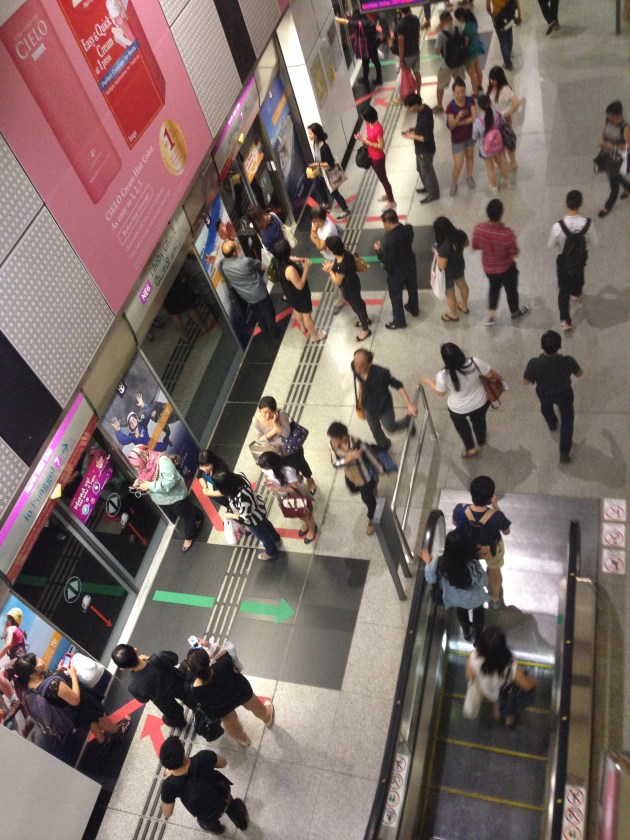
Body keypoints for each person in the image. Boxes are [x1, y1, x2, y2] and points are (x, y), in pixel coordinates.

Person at [14, 652, 129, 749]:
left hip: (71, 713)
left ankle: (103, 741)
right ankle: (118, 731)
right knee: (99, 717)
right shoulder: (53, 685)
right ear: (32, 673)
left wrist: (58, 671)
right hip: (81, 705)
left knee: (89, 722)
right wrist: (73, 675)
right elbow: (75, 700)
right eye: (37, 662)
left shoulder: (29, 687)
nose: (41, 660)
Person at [420, 343, 503, 458]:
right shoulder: (475, 362)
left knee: (462, 426)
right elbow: (491, 376)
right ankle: (481, 439)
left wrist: (429, 381)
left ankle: (471, 449)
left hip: (458, 409)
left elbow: (440, 393)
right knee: (479, 420)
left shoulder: (443, 375)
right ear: (460, 352)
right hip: (480, 402)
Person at [186, 646, 274, 747]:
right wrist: (210, 646)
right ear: (208, 659)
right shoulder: (223, 665)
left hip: (221, 707)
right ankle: (267, 718)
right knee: (254, 705)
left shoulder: (194, 690)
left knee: (230, 721)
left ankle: (243, 739)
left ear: (190, 670)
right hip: (239, 692)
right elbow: (225, 653)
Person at [159, 736, 249, 834]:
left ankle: (217, 829)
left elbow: (167, 813)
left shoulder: (168, 786)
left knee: (206, 822)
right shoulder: (203, 757)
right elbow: (223, 763)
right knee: (232, 806)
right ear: (182, 751)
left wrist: (172, 775)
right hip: (223, 797)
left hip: (203, 813)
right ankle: (241, 823)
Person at [203, 450, 282, 561]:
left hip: (253, 519)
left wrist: (230, 515)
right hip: (259, 508)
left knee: (263, 537)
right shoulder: (238, 477)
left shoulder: (240, 497)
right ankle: (276, 537)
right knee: (266, 524)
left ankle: (271, 552)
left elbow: (244, 517)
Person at [523, 330, 583, 464]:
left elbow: (526, 381)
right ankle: (564, 453)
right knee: (567, 422)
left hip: (544, 393)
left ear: (541, 346)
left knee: (545, 407)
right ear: (560, 346)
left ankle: (552, 423)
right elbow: (579, 374)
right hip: (565, 394)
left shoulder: (534, 363)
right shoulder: (568, 361)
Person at [126, 445, 201, 553]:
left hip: (175, 497)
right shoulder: (144, 464)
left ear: (143, 457)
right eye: (135, 466)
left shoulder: (162, 462)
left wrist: (150, 486)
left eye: (137, 465)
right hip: (162, 498)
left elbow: (171, 482)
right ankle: (199, 516)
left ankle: (189, 537)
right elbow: (142, 476)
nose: (137, 468)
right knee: (186, 509)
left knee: (187, 516)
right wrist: (138, 483)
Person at [453, 475, 512, 609]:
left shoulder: (460, 509)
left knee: (468, 568)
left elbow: (455, 523)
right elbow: (507, 531)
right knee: (494, 571)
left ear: (471, 494)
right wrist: (496, 507)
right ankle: (495, 599)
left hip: (468, 549)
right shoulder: (496, 516)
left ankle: (470, 594)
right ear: (491, 497)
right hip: (491, 550)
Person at [419, 531, 487, 643]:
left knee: (461, 611)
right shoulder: (473, 565)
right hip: (474, 599)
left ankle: (466, 631)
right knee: (478, 612)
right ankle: (478, 638)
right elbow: (484, 581)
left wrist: (429, 562)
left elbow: (430, 579)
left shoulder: (439, 563)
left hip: (453, 599)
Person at [471, 198, 529, 325]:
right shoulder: (507, 234)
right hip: (507, 268)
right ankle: (515, 312)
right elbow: (515, 252)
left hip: (488, 268)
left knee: (493, 288)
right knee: (511, 290)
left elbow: (475, 246)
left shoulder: (479, 229)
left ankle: (491, 316)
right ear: (501, 214)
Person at [465, 627, 537, 728]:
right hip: (504, 692)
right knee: (506, 703)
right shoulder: (510, 665)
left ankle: (498, 714)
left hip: (487, 690)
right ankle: (509, 718)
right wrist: (533, 682)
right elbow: (527, 686)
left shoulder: (473, 657)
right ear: (502, 646)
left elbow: (470, 677)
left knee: (496, 701)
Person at [547, 190, 598, 330]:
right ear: (580, 204)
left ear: (566, 204)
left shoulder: (558, 227)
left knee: (563, 290)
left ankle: (565, 320)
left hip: (564, 263)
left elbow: (551, 245)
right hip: (580, 260)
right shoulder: (588, 223)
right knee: (578, 277)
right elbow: (594, 242)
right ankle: (575, 294)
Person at [111, 644, 192, 728]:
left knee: (173, 714)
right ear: (135, 650)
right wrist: (149, 658)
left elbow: (143, 699)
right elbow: (174, 658)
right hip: (176, 682)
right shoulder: (159, 657)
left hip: (162, 699)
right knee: (188, 696)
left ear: (123, 668)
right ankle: (195, 706)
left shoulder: (133, 686)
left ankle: (179, 723)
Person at [352, 349, 418, 450]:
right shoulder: (354, 367)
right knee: (375, 430)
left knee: (390, 427)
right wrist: (360, 394)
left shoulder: (381, 373)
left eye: (360, 366)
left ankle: (407, 422)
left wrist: (409, 404)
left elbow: (398, 385)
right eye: (355, 363)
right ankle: (384, 445)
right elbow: (360, 380)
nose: (356, 368)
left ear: (369, 364)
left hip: (384, 406)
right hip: (368, 406)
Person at [250, 396, 317, 495]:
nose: (267, 416)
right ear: (260, 410)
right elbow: (260, 439)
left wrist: (276, 424)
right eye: (264, 412)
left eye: (270, 412)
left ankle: (309, 479)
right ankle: (297, 475)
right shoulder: (256, 421)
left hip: (291, 448)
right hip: (276, 451)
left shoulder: (281, 414)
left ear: (275, 410)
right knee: (289, 467)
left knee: (301, 463)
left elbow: (286, 433)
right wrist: (274, 431)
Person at [327, 422, 381, 536]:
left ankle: (372, 520)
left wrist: (380, 468)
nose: (332, 441)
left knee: (368, 499)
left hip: (364, 477)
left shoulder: (358, 443)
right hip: (350, 475)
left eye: (334, 438)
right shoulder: (332, 445)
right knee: (352, 490)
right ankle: (372, 488)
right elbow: (335, 464)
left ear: (344, 437)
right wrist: (349, 458)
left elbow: (371, 457)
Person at [218, 240, 278, 337]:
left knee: (258, 314)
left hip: (246, 295)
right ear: (234, 252)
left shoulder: (222, 265)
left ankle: (265, 330)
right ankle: (274, 331)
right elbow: (259, 264)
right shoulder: (244, 262)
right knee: (268, 312)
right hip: (259, 291)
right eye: (235, 246)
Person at [373, 208, 420, 329]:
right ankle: (414, 308)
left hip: (397, 271)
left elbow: (387, 261)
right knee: (412, 287)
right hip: (410, 264)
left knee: (395, 295)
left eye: (384, 224)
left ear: (388, 222)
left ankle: (399, 321)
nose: (384, 227)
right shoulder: (408, 229)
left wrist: (378, 251)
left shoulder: (389, 240)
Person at [257, 451, 318, 544]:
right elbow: (267, 474)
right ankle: (306, 523)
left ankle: (312, 528)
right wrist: (267, 480)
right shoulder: (268, 467)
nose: (265, 469)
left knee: (305, 512)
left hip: (294, 494)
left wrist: (276, 488)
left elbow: (294, 487)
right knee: (297, 513)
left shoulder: (287, 470)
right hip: (281, 495)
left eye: (266, 467)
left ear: (272, 464)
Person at [272, 239, 326, 343]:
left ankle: (302, 327)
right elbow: (300, 285)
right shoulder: (290, 270)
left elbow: (287, 258)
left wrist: (297, 259)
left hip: (289, 293)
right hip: (300, 295)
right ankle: (315, 336)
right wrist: (306, 268)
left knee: (296, 309)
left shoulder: (276, 261)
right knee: (307, 315)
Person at [323, 236, 371, 341]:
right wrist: (332, 265)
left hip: (349, 289)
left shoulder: (341, 265)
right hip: (354, 281)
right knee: (359, 302)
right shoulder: (345, 252)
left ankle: (365, 330)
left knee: (357, 308)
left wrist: (329, 271)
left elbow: (337, 281)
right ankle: (366, 319)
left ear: (331, 250)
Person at [307, 124, 351, 220]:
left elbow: (330, 163)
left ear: (316, 134)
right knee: (319, 186)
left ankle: (346, 210)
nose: (309, 135)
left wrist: (317, 165)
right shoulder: (315, 143)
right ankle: (326, 205)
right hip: (321, 173)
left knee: (334, 193)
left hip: (327, 174)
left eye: (310, 133)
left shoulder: (324, 147)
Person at [355, 106, 396, 208]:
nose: (363, 119)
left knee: (383, 179)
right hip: (371, 154)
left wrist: (368, 142)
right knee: (381, 177)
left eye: (364, 117)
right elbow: (369, 137)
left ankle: (391, 201)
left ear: (369, 117)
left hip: (378, 158)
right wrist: (362, 138)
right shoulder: (369, 124)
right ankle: (388, 194)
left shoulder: (378, 129)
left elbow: (381, 146)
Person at [402, 93, 440, 204]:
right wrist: (414, 129)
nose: (409, 110)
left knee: (427, 172)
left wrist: (411, 136)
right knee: (420, 170)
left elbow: (427, 138)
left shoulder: (425, 117)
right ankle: (428, 187)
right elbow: (423, 127)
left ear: (415, 106)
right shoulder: (424, 109)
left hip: (425, 150)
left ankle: (433, 194)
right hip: (420, 149)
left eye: (410, 108)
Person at [597, 100, 630, 218]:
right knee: (617, 176)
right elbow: (602, 132)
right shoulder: (608, 121)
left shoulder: (625, 128)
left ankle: (607, 206)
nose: (609, 118)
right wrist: (601, 140)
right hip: (607, 156)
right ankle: (628, 188)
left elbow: (627, 146)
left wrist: (614, 146)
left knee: (614, 185)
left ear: (618, 115)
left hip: (617, 160)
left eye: (611, 116)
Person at [433, 216, 470, 321]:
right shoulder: (460, 234)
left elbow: (442, 266)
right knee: (462, 285)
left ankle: (453, 314)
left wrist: (436, 255)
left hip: (448, 273)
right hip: (459, 265)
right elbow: (467, 244)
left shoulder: (444, 246)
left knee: (450, 293)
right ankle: (464, 306)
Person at [310, 206, 345, 316]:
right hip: (327, 255)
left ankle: (339, 303)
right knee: (335, 280)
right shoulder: (315, 223)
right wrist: (315, 235)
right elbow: (312, 238)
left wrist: (315, 235)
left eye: (317, 221)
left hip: (334, 257)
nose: (315, 223)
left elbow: (320, 246)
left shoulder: (328, 229)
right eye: (313, 220)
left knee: (336, 281)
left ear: (322, 219)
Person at [472, 94, 511, 192]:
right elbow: (504, 125)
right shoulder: (498, 115)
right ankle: (507, 181)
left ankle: (494, 187)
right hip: (499, 145)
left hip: (486, 149)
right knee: (502, 164)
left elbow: (474, 136)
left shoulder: (478, 121)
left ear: (480, 106)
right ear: (490, 103)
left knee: (490, 168)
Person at [446, 77, 477, 196]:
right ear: (453, 92)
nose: (461, 95)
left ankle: (469, 176)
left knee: (470, 157)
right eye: (458, 92)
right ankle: (454, 183)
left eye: (463, 91)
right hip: (457, 140)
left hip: (470, 136)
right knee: (458, 165)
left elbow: (474, 117)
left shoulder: (470, 101)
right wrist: (458, 117)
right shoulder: (450, 107)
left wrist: (460, 122)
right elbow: (452, 125)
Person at [487, 65, 521, 170]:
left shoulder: (505, 89)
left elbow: (516, 102)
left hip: (504, 121)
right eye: (490, 79)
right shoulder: (491, 88)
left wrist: (506, 113)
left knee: (508, 141)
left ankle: (513, 162)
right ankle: (504, 160)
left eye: (493, 79)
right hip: (494, 119)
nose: (491, 81)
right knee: (499, 141)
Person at [335, 11, 382, 87]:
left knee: (365, 62)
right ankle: (379, 79)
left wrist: (336, 18)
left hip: (366, 46)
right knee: (376, 62)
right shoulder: (370, 21)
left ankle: (365, 78)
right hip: (373, 44)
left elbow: (347, 22)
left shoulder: (360, 23)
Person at [434, 12, 466, 115]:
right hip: (459, 62)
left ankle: (439, 106)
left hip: (446, 64)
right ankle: (462, 103)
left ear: (442, 21)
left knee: (440, 86)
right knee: (460, 83)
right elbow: (464, 40)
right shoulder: (458, 29)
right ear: (451, 19)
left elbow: (437, 51)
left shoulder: (441, 34)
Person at [0, 607, 27, 713]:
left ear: (11, 619)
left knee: (0, 675)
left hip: (17, 659)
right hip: (21, 661)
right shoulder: (18, 630)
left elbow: (8, 645)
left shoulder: (12, 629)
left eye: (8, 619)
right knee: (18, 690)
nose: (6, 621)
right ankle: (28, 720)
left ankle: (14, 702)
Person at [454, 7, 484, 95]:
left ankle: (475, 92)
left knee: (472, 74)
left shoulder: (466, 29)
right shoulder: (474, 22)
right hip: (476, 48)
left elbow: (465, 44)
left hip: (469, 54)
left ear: (461, 17)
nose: (458, 21)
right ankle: (480, 85)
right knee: (478, 68)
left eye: (458, 19)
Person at [487, 0, 522, 71]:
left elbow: (488, 8)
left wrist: (492, 16)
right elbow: (516, 2)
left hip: (499, 18)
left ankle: (508, 63)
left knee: (503, 42)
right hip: (509, 13)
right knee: (509, 33)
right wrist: (519, 15)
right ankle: (509, 51)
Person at [395, 6, 422, 94]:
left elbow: (401, 45)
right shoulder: (416, 19)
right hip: (416, 51)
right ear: (410, 9)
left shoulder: (400, 25)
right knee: (417, 73)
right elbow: (418, 35)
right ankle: (418, 93)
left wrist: (401, 59)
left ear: (400, 10)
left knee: (407, 75)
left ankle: (410, 94)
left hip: (407, 55)